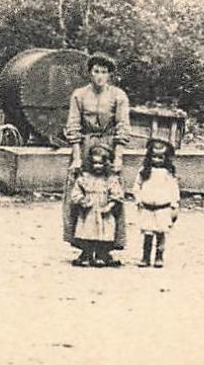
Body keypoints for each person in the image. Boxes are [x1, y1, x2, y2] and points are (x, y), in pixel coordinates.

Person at [60, 51, 131, 260]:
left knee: (111, 192)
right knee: (81, 191)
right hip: (85, 146)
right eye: (96, 71)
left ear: (110, 75)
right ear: (90, 73)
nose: (100, 76)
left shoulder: (118, 96)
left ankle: (106, 247)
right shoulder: (79, 95)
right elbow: (73, 125)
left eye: (104, 72)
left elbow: (122, 126)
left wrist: (118, 156)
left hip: (109, 145)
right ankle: (82, 245)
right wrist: (76, 157)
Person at [68, 146, 125, 267]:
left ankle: (102, 254)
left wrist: (109, 206)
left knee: (105, 232)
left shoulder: (110, 179)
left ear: (106, 163)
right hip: (88, 212)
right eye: (95, 163)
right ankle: (86, 254)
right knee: (87, 232)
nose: (97, 166)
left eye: (101, 163)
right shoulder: (84, 178)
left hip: (104, 211)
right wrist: (82, 201)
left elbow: (117, 195)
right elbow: (76, 192)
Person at [132, 138, 182, 268]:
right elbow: (137, 186)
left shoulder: (168, 173)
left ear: (166, 158)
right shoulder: (144, 171)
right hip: (147, 207)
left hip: (162, 208)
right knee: (148, 234)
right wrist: (138, 199)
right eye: (154, 156)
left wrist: (174, 204)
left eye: (161, 157)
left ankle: (159, 257)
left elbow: (174, 189)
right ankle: (145, 257)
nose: (157, 160)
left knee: (161, 233)